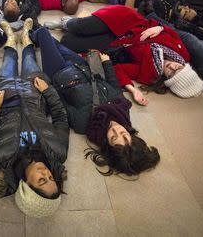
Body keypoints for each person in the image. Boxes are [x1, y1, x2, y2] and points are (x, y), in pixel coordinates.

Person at [31, 27, 160, 176]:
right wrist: (106, 63)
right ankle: (35, 34)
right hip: (82, 66)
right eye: (124, 135)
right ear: (132, 136)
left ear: (107, 144)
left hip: (59, 72)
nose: (116, 130)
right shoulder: (123, 110)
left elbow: (60, 106)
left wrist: (47, 91)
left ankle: (33, 33)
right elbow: (114, 84)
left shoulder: (84, 124)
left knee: (43, 33)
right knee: (56, 44)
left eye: (113, 138)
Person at [0, 19, 69, 218]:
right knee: (29, 59)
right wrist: (48, 91)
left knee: (9, 60)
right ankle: (25, 34)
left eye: (41, 180)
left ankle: (10, 35)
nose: (46, 173)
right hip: (34, 91)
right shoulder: (57, 153)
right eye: (51, 177)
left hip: (5, 96)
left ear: (26, 185)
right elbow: (61, 118)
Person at [56, 5, 203, 105]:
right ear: (183, 64)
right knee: (79, 26)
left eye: (171, 73)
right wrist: (159, 28)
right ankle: (68, 23)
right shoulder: (183, 54)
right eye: (177, 67)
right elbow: (173, 32)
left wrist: (133, 90)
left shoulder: (150, 74)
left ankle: (82, 23)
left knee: (68, 41)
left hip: (117, 41)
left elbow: (119, 70)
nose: (171, 66)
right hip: (129, 21)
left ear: (167, 80)